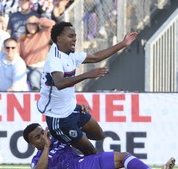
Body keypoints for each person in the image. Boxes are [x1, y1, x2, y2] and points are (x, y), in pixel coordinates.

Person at [36, 21, 138, 155]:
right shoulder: (54, 59)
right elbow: (60, 83)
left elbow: (96, 57)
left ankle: (65, 138)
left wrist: (123, 44)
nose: (75, 39)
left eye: (75, 36)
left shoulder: (69, 54)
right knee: (91, 152)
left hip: (72, 108)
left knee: (99, 135)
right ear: (59, 38)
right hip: (58, 117)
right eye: (71, 36)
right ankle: (61, 137)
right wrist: (87, 75)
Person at [23, 123, 176, 169]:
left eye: (42, 133)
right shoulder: (36, 159)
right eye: (37, 137)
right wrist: (47, 145)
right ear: (32, 144)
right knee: (123, 157)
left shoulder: (57, 138)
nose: (42, 137)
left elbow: (73, 130)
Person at [18, 15, 55, 90]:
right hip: (27, 67)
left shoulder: (44, 33)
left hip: (42, 67)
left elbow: (52, 24)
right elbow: (18, 54)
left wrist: (38, 20)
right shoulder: (22, 39)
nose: (32, 26)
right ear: (26, 25)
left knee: (33, 77)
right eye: (29, 24)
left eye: (34, 24)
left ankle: (36, 94)